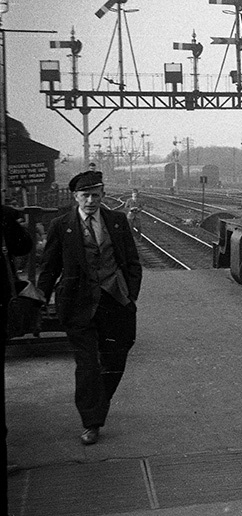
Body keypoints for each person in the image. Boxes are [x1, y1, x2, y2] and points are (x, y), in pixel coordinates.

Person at [37, 170, 142, 445]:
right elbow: (49, 267)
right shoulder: (61, 225)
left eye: (96, 195)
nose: (90, 201)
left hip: (115, 300)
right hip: (77, 303)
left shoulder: (117, 222)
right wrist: (39, 300)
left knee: (116, 358)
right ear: (76, 197)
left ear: (103, 196)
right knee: (87, 366)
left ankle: (97, 403)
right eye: (85, 196)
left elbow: (132, 262)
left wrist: (130, 295)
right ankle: (91, 422)